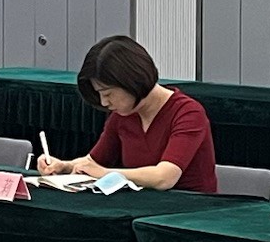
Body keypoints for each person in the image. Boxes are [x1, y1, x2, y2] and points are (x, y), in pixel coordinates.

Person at [42, 35, 217, 191]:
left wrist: (105, 173)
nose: (104, 102)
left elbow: (164, 177)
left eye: (108, 94)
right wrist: (64, 166)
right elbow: (93, 162)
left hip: (191, 210)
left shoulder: (188, 113)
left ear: (131, 82)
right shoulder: (122, 115)